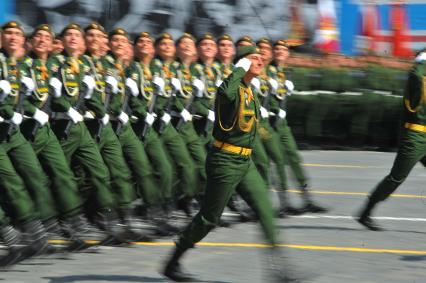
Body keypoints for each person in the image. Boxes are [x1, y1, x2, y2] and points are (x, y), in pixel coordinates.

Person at [162, 46, 296, 282]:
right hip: (225, 161)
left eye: (260, 57)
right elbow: (223, 94)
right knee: (208, 219)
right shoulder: (232, 88)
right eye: (253, 58)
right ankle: (173, 262)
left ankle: (280, 271)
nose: (260, 60)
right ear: (241, 64)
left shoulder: (249, 89)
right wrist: (237, 69)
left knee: (265, 208)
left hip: (245, 161)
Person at [357, 49, 426, 231]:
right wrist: (421, 61)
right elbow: (416, 75)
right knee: (396, 178)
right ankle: (366, 212)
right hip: (415, 137)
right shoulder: (416, 77)